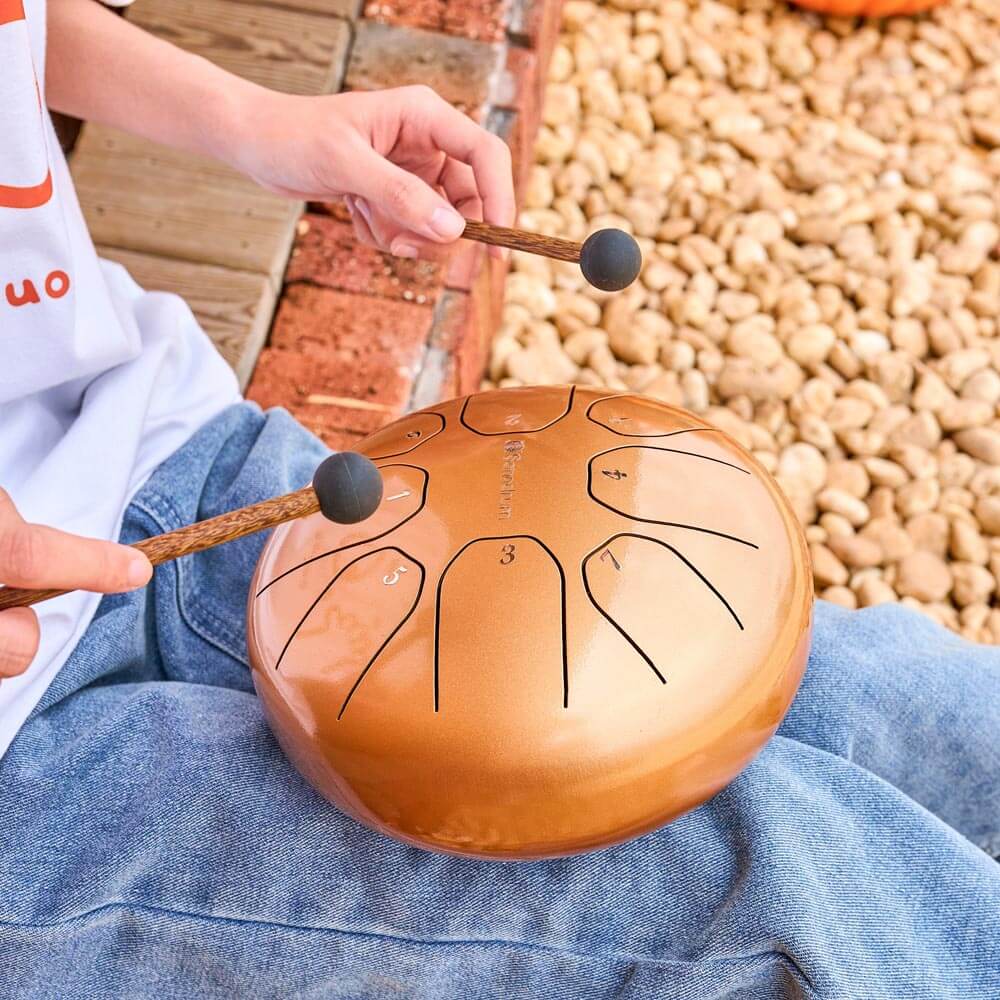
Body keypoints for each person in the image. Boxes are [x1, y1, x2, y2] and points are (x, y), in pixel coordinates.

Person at [0, 1, 997, 997]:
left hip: (153, 451)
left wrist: (252, 120)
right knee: (781, 889)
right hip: (23, 749)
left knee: (895, 705)